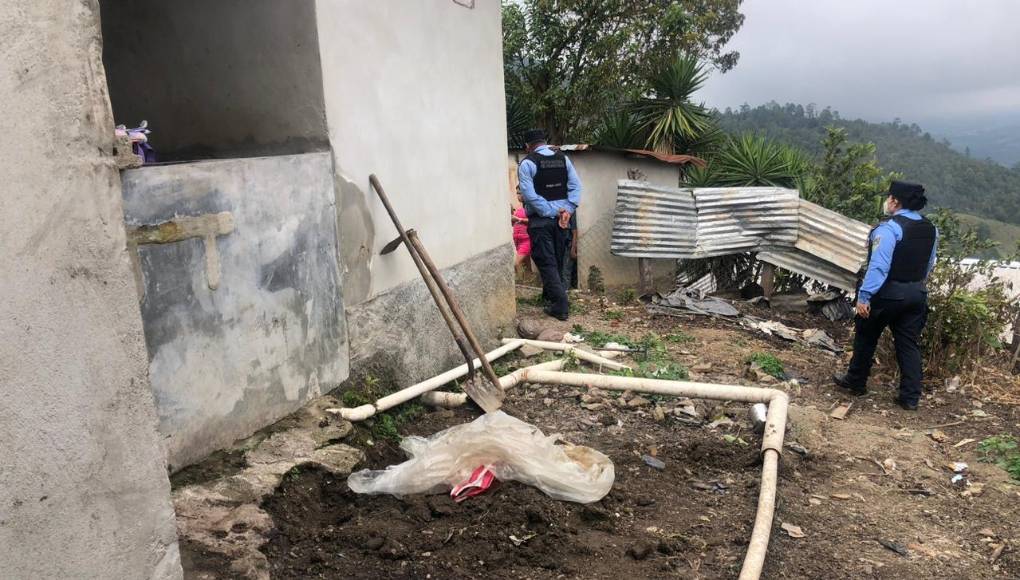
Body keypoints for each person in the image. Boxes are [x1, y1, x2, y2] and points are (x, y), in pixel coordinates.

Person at [834, 181, 938, 410]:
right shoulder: (931, 229)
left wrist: (864, 296)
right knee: (908, 345)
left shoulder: (888, 228)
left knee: (866, 335)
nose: (887, 201)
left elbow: (879, 267)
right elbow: (930, 263)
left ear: (895, 201)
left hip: (888, 293)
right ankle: (910, 398)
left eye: (889, 197)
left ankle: (856, 382)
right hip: (916, 293)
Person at [517, 128, 582, 320]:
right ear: (545, 141)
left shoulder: (527, 163)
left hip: (541, 221)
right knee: (557, 258)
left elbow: (529, 195)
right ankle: (550, 297)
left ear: (528, 146)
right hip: (563, 221)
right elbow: (576, 187)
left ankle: (560, 307)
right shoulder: (563, 159)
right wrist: (567, 210)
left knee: (546, 261)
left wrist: (552, 211)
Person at [511, 191, 531, 273]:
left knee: (516, 263)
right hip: (517, 240)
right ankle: (528, 278)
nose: (518, 195)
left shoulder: (530, 207)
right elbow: (513, 223)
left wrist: (519, 219)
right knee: (526, 264)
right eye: (517, 193)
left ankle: (521, 280)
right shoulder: (517, 207)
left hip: (526, 240)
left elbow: (532, 221)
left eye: (520, 192)